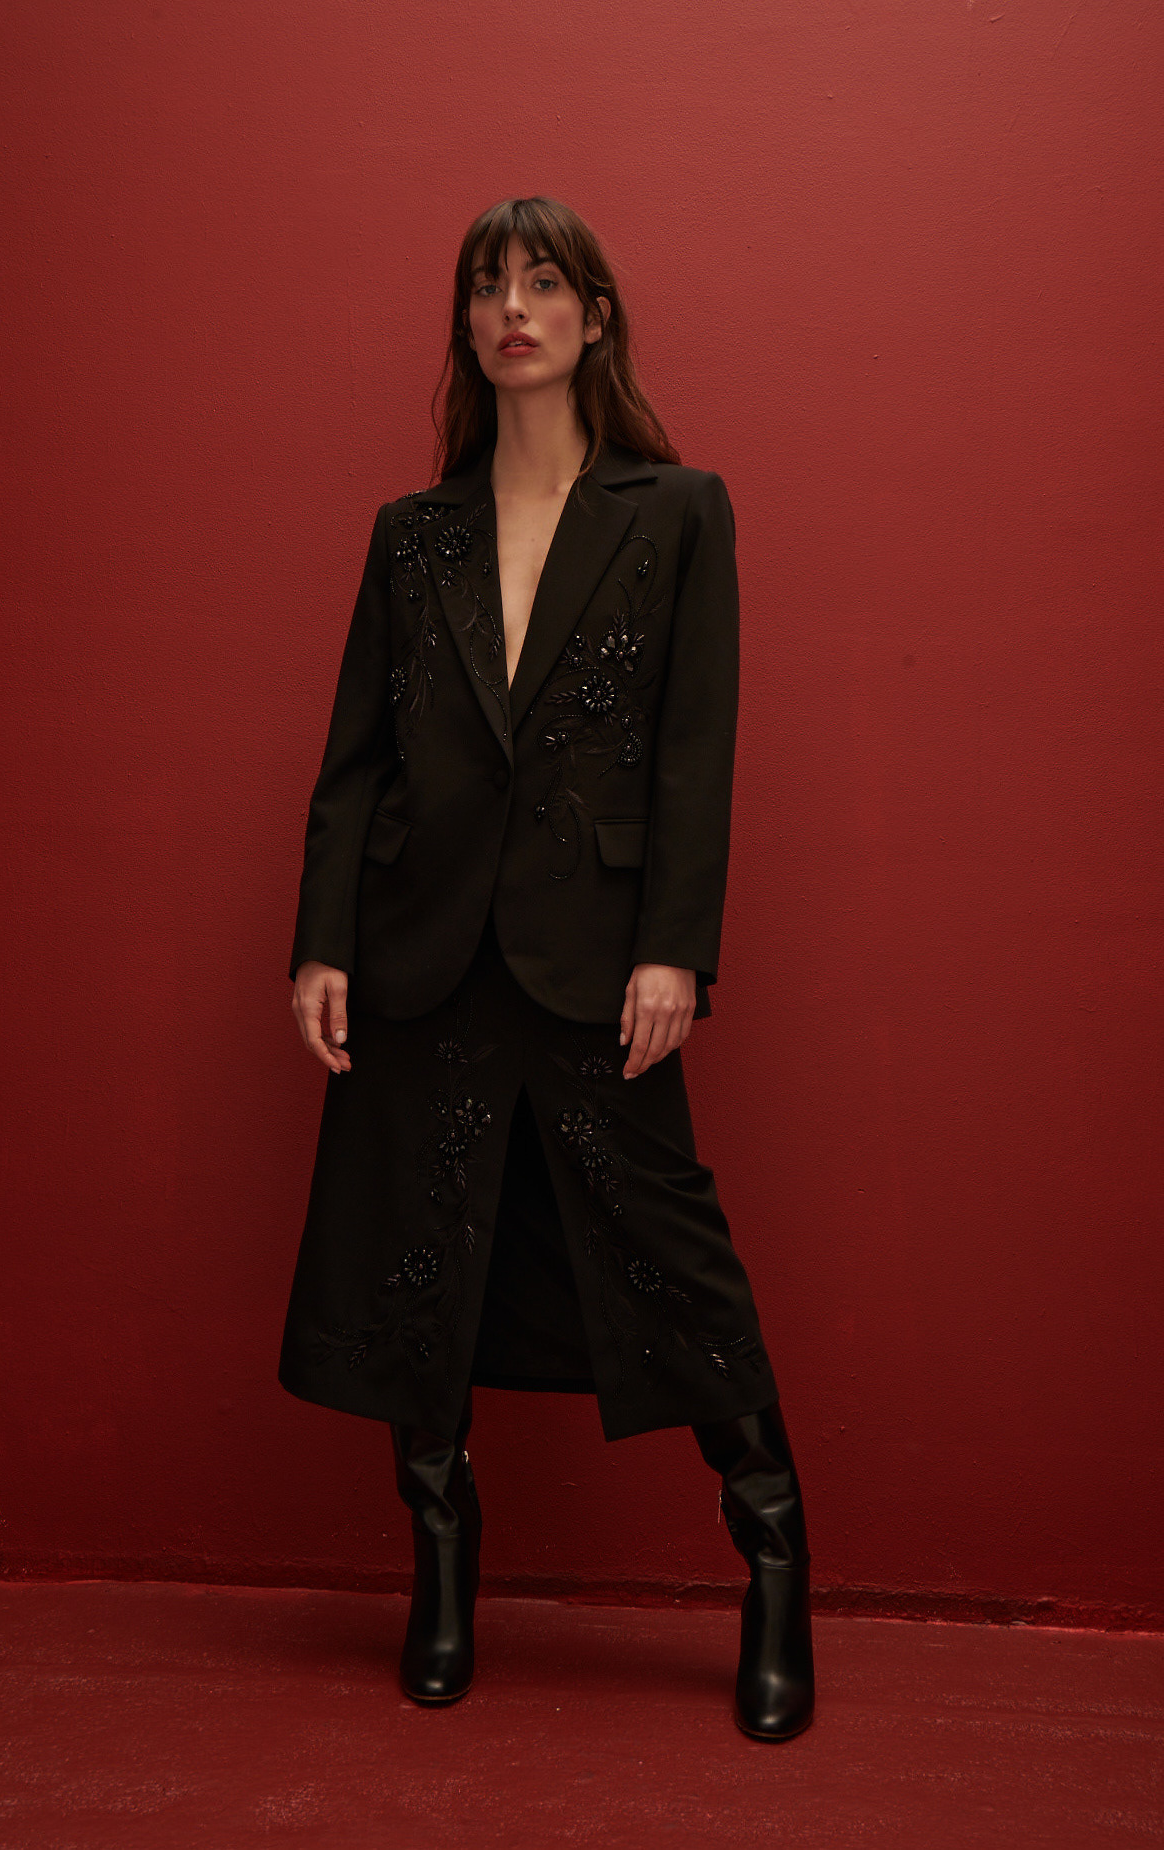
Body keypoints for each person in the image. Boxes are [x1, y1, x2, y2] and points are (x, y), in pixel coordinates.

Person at [279, 196, 815, 1741]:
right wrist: (323, 941)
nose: (512, 306)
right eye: (487, 285)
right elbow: (357, 758)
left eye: (542, 281)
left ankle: (776, 1561)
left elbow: (697, 748)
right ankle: (443, 1564)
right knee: (420, 1259)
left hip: (595, 958)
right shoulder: (413, 534)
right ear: (468, 325)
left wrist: (675, 948)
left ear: (594, 316)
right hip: (422, 956)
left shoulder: (678, 511)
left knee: (673, 1258)